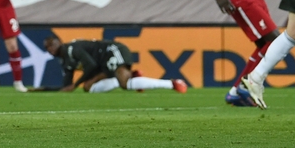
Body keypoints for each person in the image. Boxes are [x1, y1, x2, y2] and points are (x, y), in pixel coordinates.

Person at [34, 35, 188, 94]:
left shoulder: (72, 48)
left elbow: (91, 65)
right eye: (47, 47)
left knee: (125, 84)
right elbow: (66, 87)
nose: (50, 48)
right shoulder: (65, 60)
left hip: (112, 50)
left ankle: (172, 83)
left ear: (59, 42)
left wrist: (77, 84)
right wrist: (41, 90)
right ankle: (131, 77)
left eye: (52, 44)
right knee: (89, 88)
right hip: (103, 64)